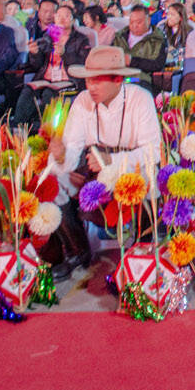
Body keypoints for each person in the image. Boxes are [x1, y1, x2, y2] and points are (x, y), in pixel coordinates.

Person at [49, 46, 164, 278]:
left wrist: (113, 160)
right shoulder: (82, 101)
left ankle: (142, 245)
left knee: (147, 178)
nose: (91, 87)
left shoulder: (140, 98)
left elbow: (153, 152)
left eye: (98, 81)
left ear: (118, 79)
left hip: (132, 167)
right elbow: (72, 149)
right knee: (54, 180)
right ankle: (77, 250)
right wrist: (61, 158)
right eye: (88, 81)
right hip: (93, 169)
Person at [114, 5, 165, 93]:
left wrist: (132, 61)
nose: (134, 26)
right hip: (116, 78)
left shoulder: (157, 40)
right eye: (131, 22)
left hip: (139, 79)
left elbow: (157, 65)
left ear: (148, 20)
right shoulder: (120, 36)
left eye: (138, 22)